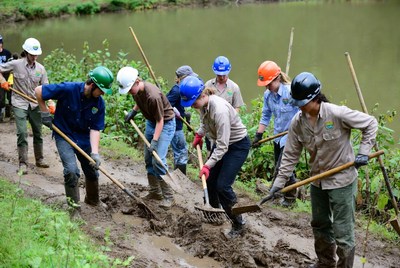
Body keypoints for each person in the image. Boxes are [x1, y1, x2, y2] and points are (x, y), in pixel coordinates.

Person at [267, 72, 378, 268]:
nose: (299, 106)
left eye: (302, 102)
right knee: (319, 224)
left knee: (343, 232)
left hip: (342, 181)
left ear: (314, 98)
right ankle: (325, 263)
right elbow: (290, 156)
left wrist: (363, 152)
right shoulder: (298, 122)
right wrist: (277, 184)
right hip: (317, 181)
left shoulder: (336, 114)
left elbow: (370, 123)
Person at [34, 66, 114, 216]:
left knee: (91, 169)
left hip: (84, 139)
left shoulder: (99, 104)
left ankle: (93, 200)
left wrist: (95, 153)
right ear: (92, 85)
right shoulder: (68, 89)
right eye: (101, 90)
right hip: (64, 134)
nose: (103, 93)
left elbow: (95, 129)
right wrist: (44, 113)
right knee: (71, 171)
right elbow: (39, 91)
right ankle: (74, 210)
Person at [180, 76, 251, 238]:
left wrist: (207, 165)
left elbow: (223, 146)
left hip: (237, 146)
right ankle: (214, 212)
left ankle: (238, 222)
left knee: (223, 186)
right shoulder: (204, 106)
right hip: (223, 145)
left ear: (202, 96)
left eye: (193, 102)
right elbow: (205, 122)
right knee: (210, 180)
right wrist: (199, 134)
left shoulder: (219, 110)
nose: (192, 106)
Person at [117, 66, 176, 209]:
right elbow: (138, 100)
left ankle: (169, 197)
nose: (130, 92)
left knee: (158, 160)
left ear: (137, 81)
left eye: (130, 89)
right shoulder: (135, 89)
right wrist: (133, 112)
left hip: (165, 124)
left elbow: (160, 121)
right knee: (148, 158)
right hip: (151, 122)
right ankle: (155, 192)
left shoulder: (153, 96)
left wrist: (155, 141)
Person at [252, 60, 299, 206]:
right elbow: (266, 115)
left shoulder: (291, 92)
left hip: (292, 137)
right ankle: (290, 198)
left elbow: (304, 111)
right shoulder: (268, 95)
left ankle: (279, 197)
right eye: (265, 84)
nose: (267, 87)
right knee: (285, 168)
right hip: (278, 137)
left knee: (282, 167)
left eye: (269, 83)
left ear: (277, 78)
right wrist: (258, 135)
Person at [0, 37, 49, 174]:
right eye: (32, 55)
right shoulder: (16, 64)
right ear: (26, 52)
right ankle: (23, 163)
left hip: (34, 103)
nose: (34, 57)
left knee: (38, 132)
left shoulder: (41, 69)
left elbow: (46, 88)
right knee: (22, 133)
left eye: (36, 55)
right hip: (19, 102)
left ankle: (39, 159)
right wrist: (3, 81)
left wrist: (50, 103)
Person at [166, 65, 197, 175]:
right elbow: (165, 105)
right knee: (181, 152)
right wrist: (175, 113)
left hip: (178, 124)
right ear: (182, 78)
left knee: (180, 152)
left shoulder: (182, 89)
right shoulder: (176, 91)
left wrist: (185, 115)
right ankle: (180, 178)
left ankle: (178, 176)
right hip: (175, 126)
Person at [0, 35, 12, 122]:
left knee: (10, 96)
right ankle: (1, 115)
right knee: (1, 97)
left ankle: (10, 114)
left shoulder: (7, 53)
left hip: (7, 77)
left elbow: (12, 66)